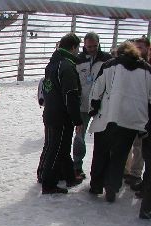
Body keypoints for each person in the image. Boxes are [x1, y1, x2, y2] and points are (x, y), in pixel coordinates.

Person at [88, 41, 151, 202]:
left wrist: (94, 106)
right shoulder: (146, 70)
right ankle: (112, 187)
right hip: (131, 120)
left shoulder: (110, 65)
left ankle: (96, 184)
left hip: (109, 116)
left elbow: (98, 87)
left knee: (101, 151)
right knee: (120, 155)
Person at [38, 33, 83, 194]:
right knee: (56, 149)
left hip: (50, 111)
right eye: (77, 48)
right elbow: (70, 95)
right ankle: (49, 184)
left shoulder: (53, 63)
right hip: (61, 116)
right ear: (73, 48)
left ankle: (69, 177)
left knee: (60, 148)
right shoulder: (66, 66)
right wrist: (77, 119)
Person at [73, 32, 112, 178]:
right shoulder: (78, 59)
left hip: (101, 107)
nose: (92, 49)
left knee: (102, 139)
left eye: (94, 46)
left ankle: (100, 171)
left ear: (99, 43)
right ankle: (77, 165)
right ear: (84, 45)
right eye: (89, 46)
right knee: (79, 137)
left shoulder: (107, 59)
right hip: (82, 105)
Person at [123, 37, 151, 188]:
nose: (138, 50)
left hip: (144, 113)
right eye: (136, 47)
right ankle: (125, 170)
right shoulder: (129, 64)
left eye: (141, 47)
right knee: (126, 142)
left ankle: (135, 173)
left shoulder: (148, 67)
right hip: (129, 110)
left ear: (148, 48)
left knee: (139, 145)